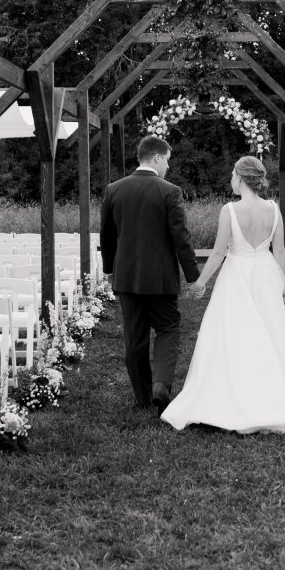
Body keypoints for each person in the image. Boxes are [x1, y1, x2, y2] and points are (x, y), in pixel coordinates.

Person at [162, 155, 285, 433]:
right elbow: (279, 251)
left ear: (241, 178)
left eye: (233, 175)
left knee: (236, 332)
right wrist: (281, 282)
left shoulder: (229, 211)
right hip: (266, 273)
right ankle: (282, 395)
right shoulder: (273, 208)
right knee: (273, 329)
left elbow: (219, 252)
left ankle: (239, 394)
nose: (231, 179)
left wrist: (199, 283)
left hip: (237, 275)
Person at [99, 135, 201, 414]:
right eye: (167, 160)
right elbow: (181, 238)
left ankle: (143, 398)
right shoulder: (170, 191)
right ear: (156, 157)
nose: (168, 166)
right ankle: (161, 384)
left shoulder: (114, 189)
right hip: (161, 279)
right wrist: (192, 277)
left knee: (135, 336)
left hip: (127, 277)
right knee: (168, 327)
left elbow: (106, 236)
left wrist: (109, 270)